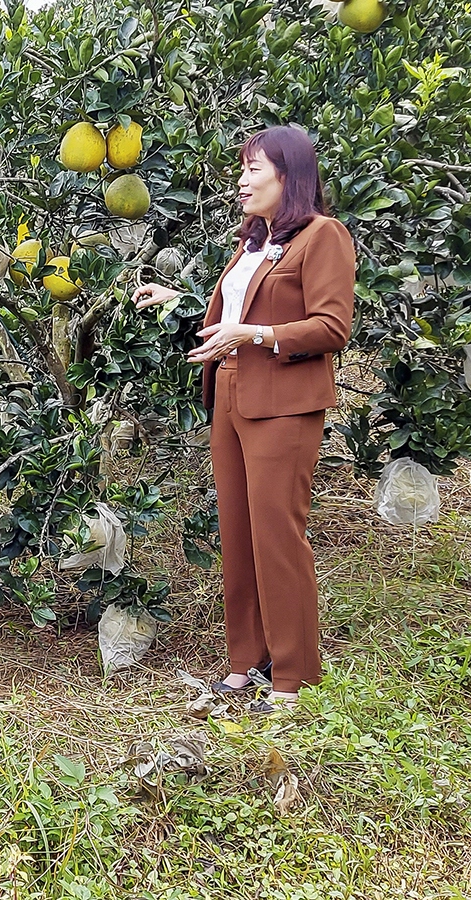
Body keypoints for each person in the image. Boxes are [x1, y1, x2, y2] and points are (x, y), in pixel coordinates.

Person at [132, 125, 355, 711]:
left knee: (277, 536)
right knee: (238, 533)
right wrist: (179, 300)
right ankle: (245, 663)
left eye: (254, 169)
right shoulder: (255, 241)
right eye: (243, 169)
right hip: (231, 393)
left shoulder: (322, 236)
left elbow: (331, 327)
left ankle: (294, 678)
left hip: (283, 401)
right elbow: (240, 309)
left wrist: (254, 334)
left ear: (290, 177)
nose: (242, 179)